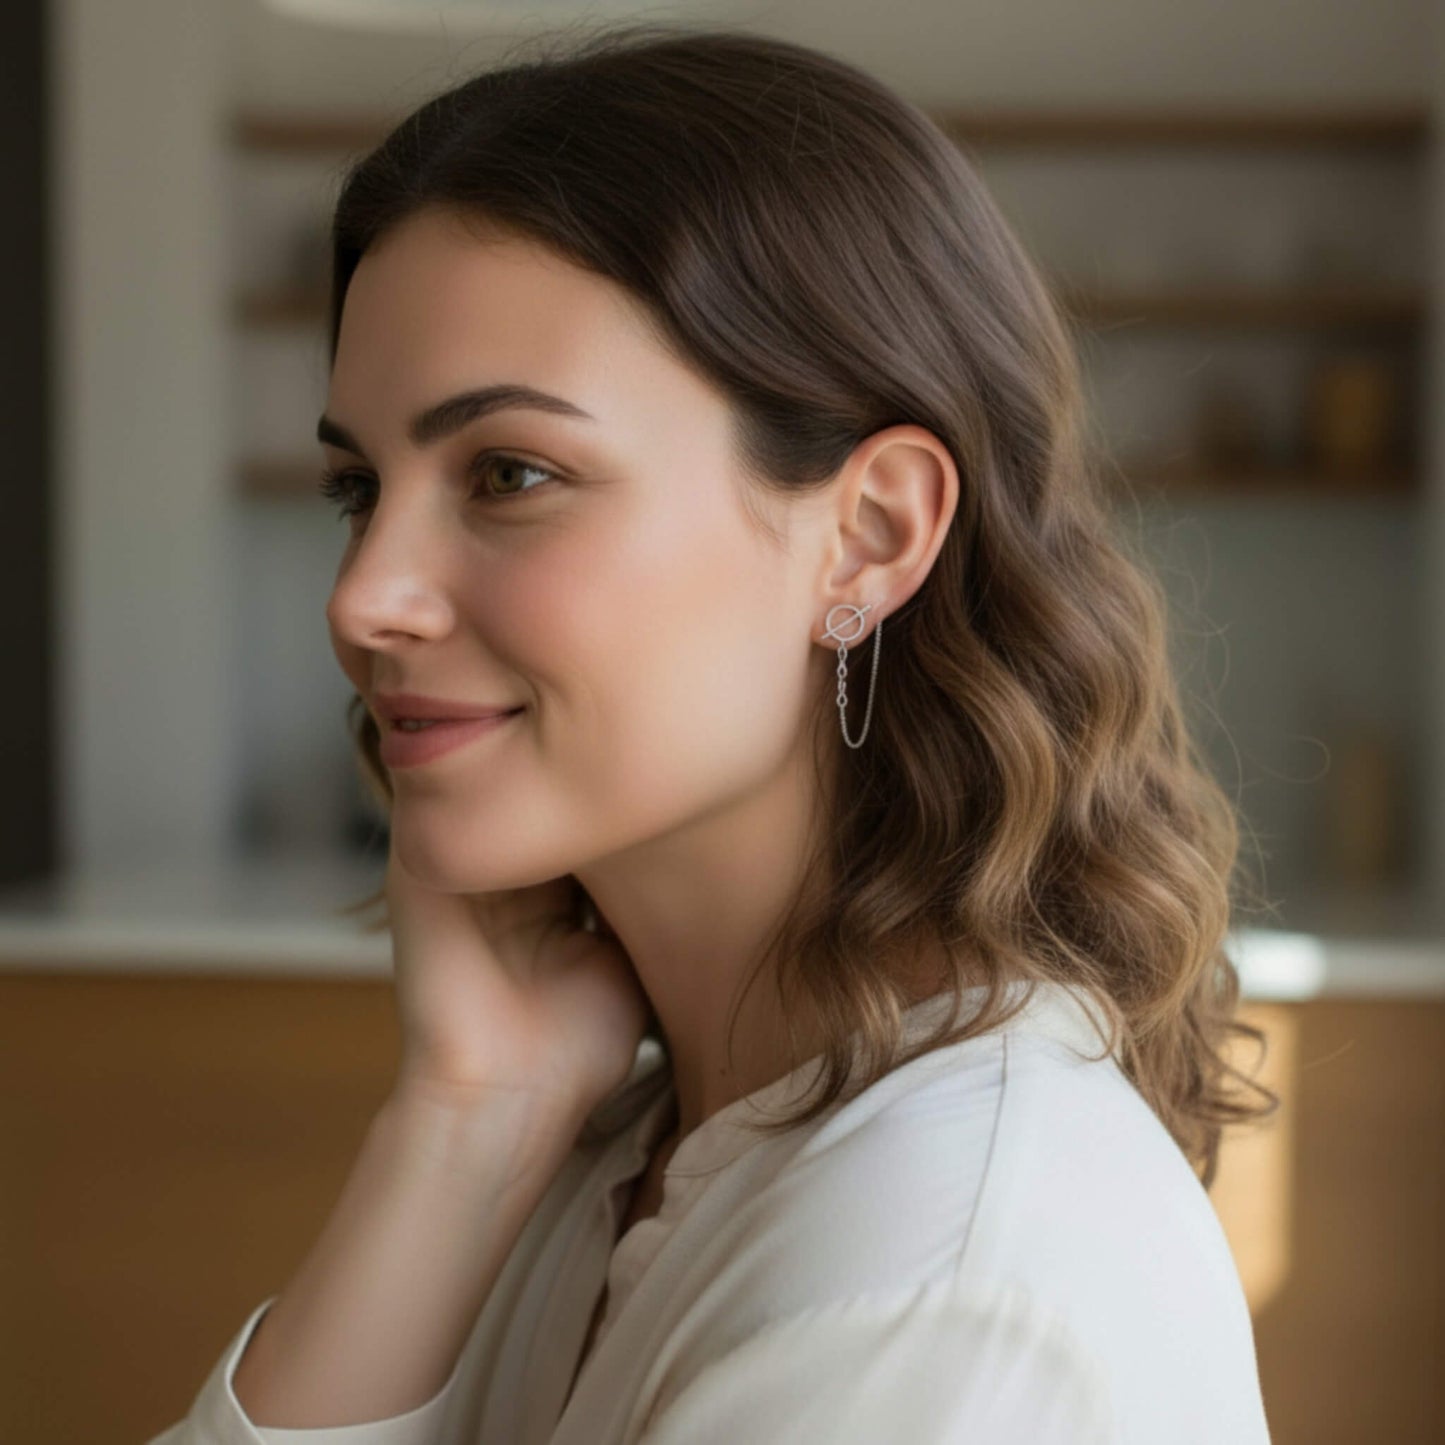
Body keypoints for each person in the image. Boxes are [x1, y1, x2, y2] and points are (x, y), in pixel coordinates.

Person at [148, 22, 1278, 1444]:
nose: (363, 595)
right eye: (357, 488)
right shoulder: (621, 1150)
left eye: (508, 471)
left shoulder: (929, 1290)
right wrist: (463, 1123)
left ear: (867, 536)